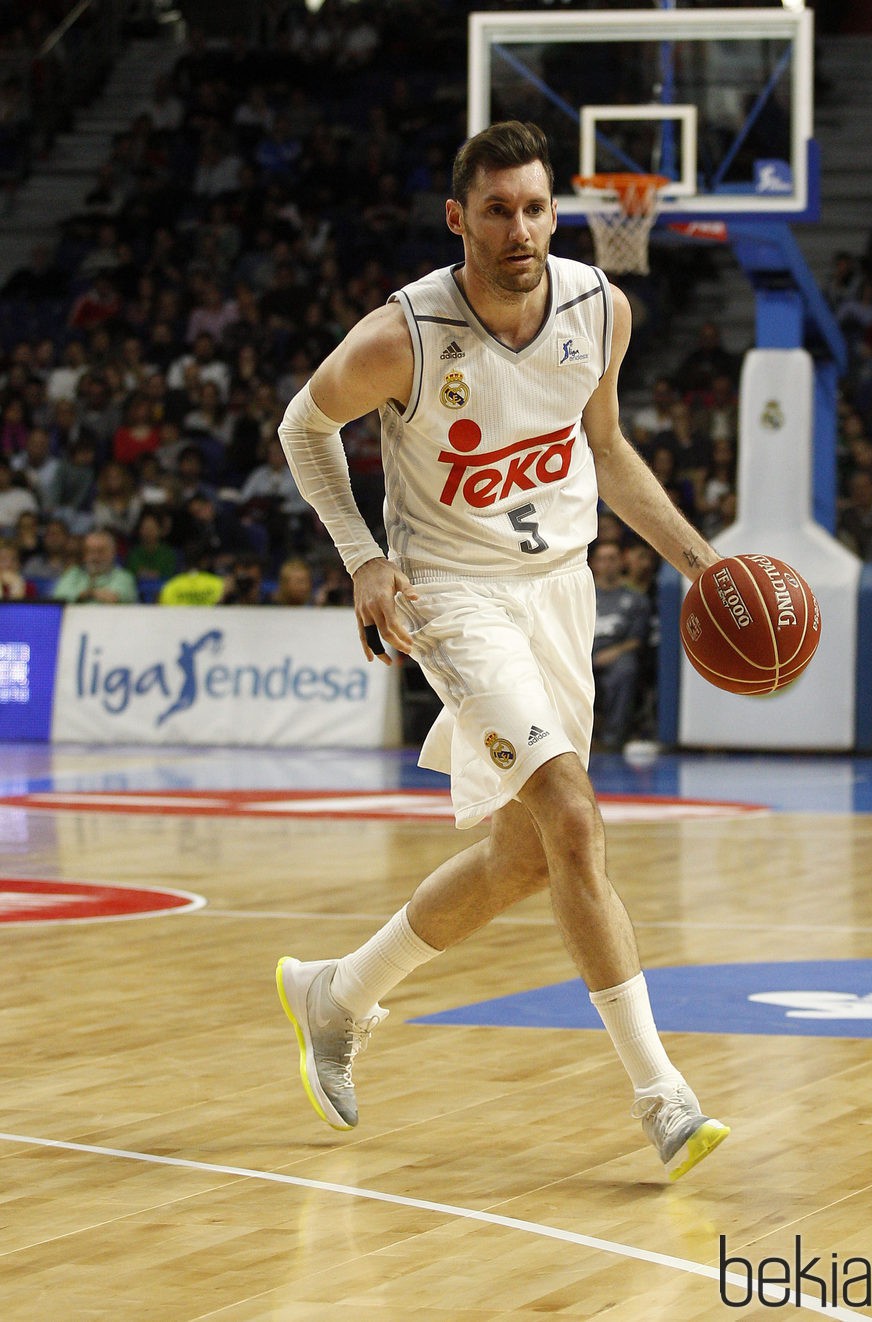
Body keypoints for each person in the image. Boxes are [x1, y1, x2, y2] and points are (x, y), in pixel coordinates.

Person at [275, 121, 729, 1180]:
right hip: (456, 595)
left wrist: (699, 560)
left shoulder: (598, 307)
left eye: (533, 207)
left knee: (529, 855)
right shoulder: (405, 335)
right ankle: (661, 1094)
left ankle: (335, 994)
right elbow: (304, 426)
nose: (518, 227)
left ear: (555, 212)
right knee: (573, 817)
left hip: (557, 592)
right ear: (456, 218)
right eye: (495, 209)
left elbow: (604, 447)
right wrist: (363, 559)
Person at [589, 539, 651, 752]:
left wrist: (613, 652)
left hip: (616, 654)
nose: (607, 564)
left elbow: (637, 640)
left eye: (612, 559)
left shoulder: (636, 599)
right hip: (582, 654)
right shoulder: (581, 595)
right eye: (602, 559)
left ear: (621, 562)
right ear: (594, 563)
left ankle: (612, 739)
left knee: (625, 668)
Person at [50, 528, 138, 603]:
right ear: (84, 554)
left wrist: (82, 595)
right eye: (91, 551)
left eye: (101, 551)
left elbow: (115, 598)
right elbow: (59, 598)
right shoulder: (73, 574)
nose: (95, 557)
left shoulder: (124, 577)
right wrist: (92, 594)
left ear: (113, 553)